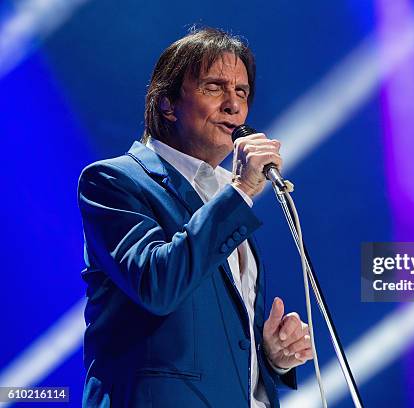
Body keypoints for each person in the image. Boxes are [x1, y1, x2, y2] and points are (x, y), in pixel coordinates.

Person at [78, 27, 313, 408]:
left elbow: (214, 340)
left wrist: (270, 357)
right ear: (168, 104)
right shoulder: (114, 180)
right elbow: (158, 284)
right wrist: (241, 192)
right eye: (214, 88)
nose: (233, 106)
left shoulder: (225, 196)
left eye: (242, 93)